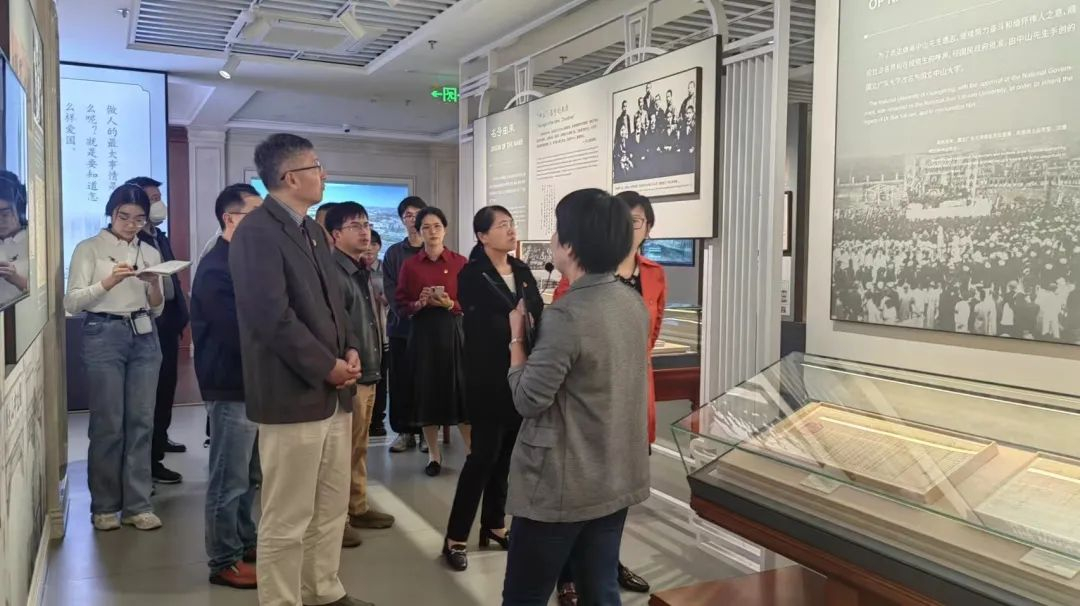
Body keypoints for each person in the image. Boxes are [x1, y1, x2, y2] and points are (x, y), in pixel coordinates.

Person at [229, 133, 370, 606]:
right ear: (291, 177)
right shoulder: (257, 232)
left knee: (329, 505)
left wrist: (350, 348)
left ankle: (323, 589)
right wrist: (326, 365)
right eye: (316, 166)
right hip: (292, 394)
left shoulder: (311, 229)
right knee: (287, 515)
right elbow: (271, 317)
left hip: (334, 392)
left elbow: (336, 303)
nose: (323, 174)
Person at [501, 188, 650, 606]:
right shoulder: (632, 303)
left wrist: (516, 340)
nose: (552, 239)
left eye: (557, 230)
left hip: (563, 483)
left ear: (570, 245)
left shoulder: (568, 314)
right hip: (614, 474)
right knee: (600, 589)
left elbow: (528, 399)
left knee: (524, 596)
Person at [551, 191, 665, 600]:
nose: (630, 228)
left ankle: (607, 564)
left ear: (647, 228)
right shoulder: (585, 272)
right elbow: (564, 332)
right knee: (583, 486)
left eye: (637, 222)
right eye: (624, 220)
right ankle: (569, 573)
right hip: (589, 395)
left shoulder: (654, 273)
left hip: (631, 389)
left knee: (619, 487)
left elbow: (651, 330)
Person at [443, 206, 543, 571]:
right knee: (483, 455)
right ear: (482, 236)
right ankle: (455, 536)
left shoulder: (522, 271)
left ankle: (495, 524)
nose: (511, 230)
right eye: (502, 226)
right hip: (487, 375)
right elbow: (481, 324)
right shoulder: (472, 274)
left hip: (521, 373)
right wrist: (515, 324)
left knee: (507, 455)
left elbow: (537, 312)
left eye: (512, 224)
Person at [64, 183, 166, 532]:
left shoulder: (149, 251)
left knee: (142, 421)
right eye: (124, 217)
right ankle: (105, 505)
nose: (131, 224)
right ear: (111, 213)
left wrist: (153, 284)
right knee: (108, 422)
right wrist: (108, 282)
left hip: (145, 333)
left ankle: (138, 505)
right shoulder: (89, 248)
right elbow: (72, 302)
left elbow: (158, 307)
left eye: (139, 219)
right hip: (103, 332)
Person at [191, 183, 263, 589]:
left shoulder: (243, 260)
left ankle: (244, 541)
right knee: (228, 477)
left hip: (252, 383)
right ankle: (223, 560)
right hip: (229, 383)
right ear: (230, 218)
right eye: (254, 215)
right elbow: (236, 333)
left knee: (250, 475)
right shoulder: (216, 267)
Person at [325, 202, 397, 549]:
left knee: (358, 446)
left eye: (366, 224)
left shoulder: (361, 269)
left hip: (368, 367)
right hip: (349, 372)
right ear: (336, 234)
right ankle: (336, 520)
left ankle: (357, 506)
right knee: (341, 452)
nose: (365, 231)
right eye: (355, 225)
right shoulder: (334, 273)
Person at [395, 207, 470, 476]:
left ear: (445, 229)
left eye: (437, 226)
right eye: (425, 227)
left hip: (453, 331)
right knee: (426, 392)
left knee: (460, 392)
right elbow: (400, 304)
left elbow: (471, 301)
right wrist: (419, 303)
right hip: (423, 333)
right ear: (419, 232)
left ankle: (472, 454)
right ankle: (433, 456)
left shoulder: (460, 262)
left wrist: (451, 304)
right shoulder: (411, 265)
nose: (432, 232)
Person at [127, 176, 190, 485]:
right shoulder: (133, 240)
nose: (159, 204)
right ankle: (150, 461)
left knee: (166, 389)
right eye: (152, 199)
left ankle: (160, 440)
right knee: (150, 395)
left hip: (169, 323)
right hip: (149, 324)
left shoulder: (158, 235)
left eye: (158, 198)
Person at [383, 196, 428, 454]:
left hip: (428, 328)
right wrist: (409, 309)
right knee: (400, 382)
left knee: (425, 381)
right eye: (408, 215)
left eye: (417, 213)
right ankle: (404, 431)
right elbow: (391, 290)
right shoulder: (394, 253)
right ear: (402, 220)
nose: (413, 219)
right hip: (401, 327)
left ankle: (425, 432)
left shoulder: (433, 250)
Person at [364, 230, 390, 437]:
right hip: (363, 335)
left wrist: (387, 300)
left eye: (374, 244)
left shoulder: (386, 271)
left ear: (379, 246)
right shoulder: (354, 270)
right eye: (367, 244)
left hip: (384, 332)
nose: (370, 248)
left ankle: (378, 420)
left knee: (381, 378)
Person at [0, 171, 29, 308]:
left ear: (20, 211)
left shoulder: (34, 242)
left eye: (5, 214)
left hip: (24, 315)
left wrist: (15, 278)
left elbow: (48, 292)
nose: (0, 221)